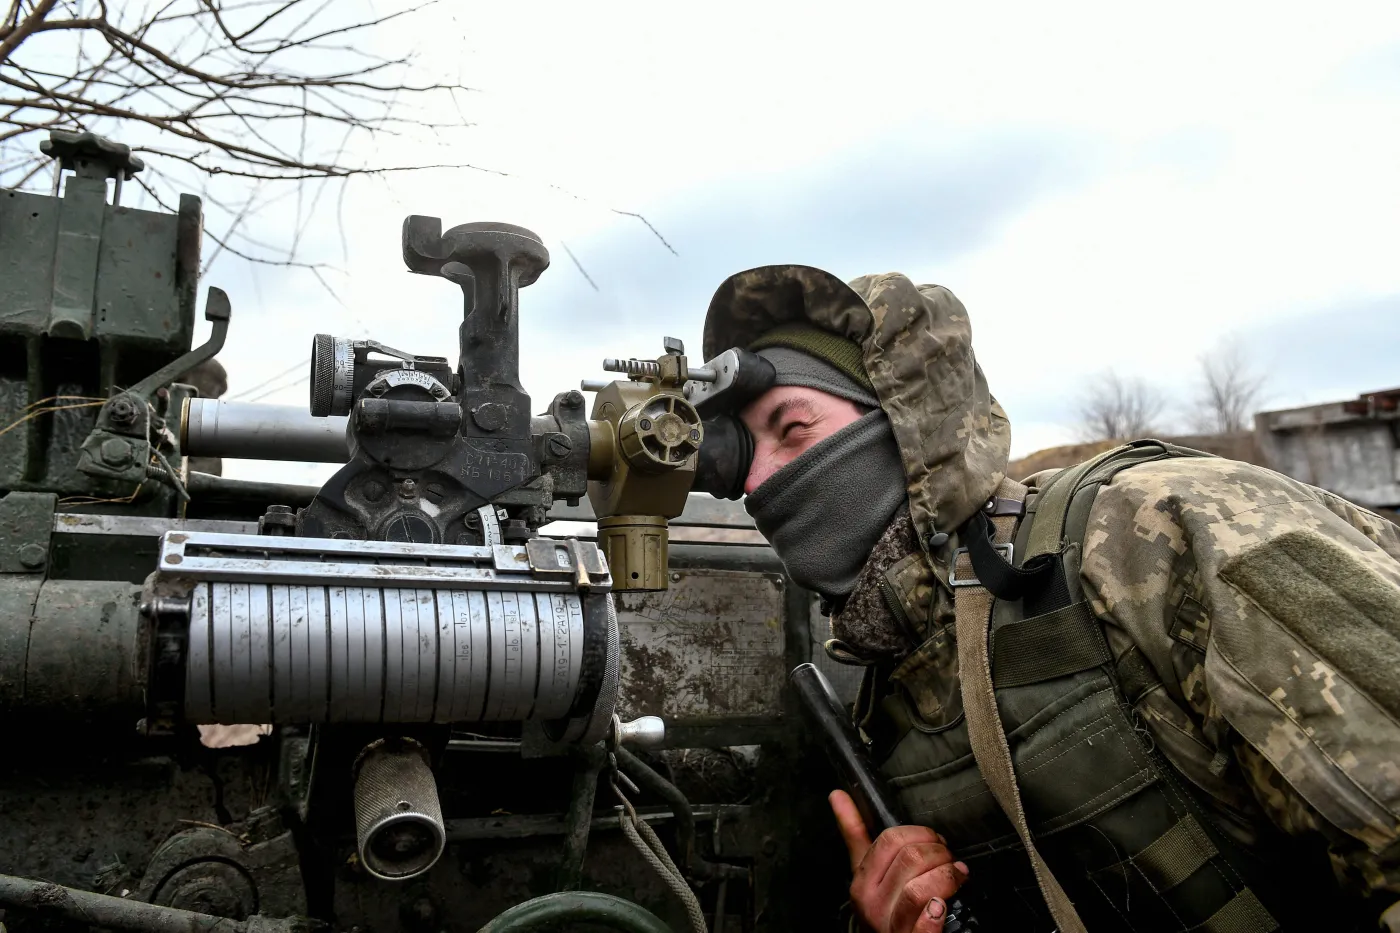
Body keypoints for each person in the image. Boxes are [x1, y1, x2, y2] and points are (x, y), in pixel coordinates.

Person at [698, 265, 1400, 933]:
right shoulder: (891, 685)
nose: (761, 483)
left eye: (793, 430)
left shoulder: (1151, 531)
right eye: (741, 462)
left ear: (905, 423)